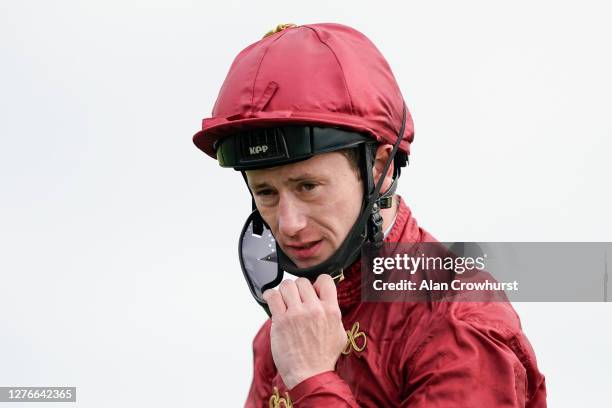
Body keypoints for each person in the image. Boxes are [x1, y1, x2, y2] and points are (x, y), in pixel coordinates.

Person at [192, 23, 547, 407]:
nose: (288, 223)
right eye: (266, 192)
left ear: (380, 168)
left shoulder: (460, 320)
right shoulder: (286, 329)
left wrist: (312, 380)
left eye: (308, 187)